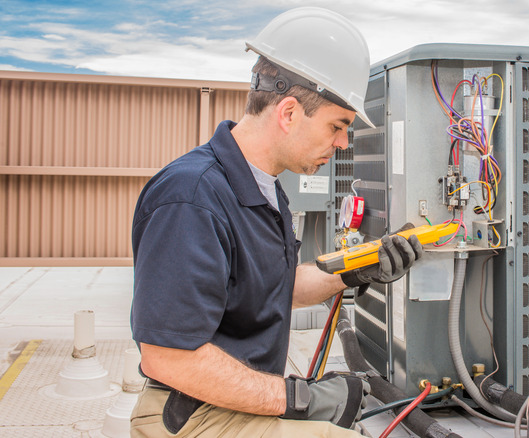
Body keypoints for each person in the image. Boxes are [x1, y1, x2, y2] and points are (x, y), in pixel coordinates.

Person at [129, 7, 423, 437]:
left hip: (230, 401)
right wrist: (297, 398)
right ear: (288, 113)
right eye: (338, 126)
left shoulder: (262, 189)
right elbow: (168, 356)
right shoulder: (192, 199)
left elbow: (275, 290)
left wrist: (359, 267)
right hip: (190, 414)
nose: (342, 143)